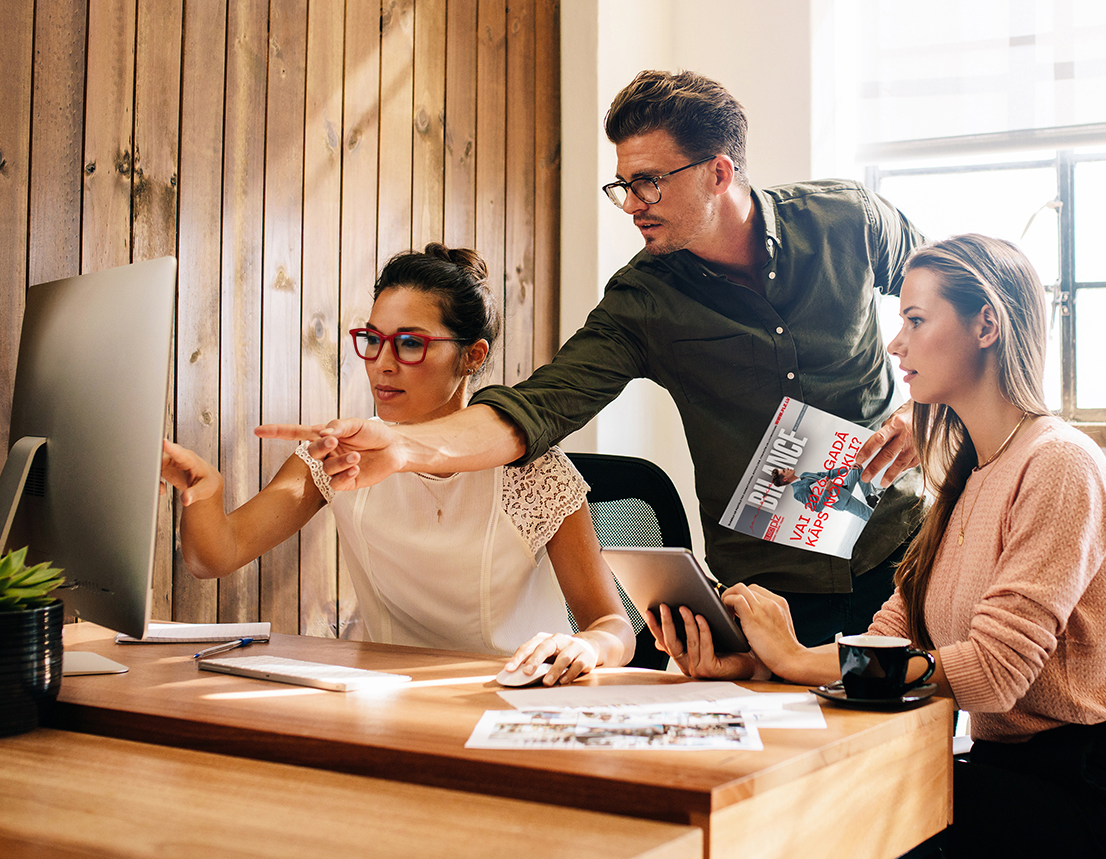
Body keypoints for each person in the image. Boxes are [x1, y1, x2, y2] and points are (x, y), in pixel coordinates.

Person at [270, 70, 930, 646]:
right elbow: (537, 406)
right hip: (773, 592)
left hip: (901, 552)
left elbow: (962, 296)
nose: (632, 205)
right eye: (623, 185)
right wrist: (409, 447)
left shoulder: (846, 219)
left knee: (913, 766)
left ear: (719, 172)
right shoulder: (643, 299)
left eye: (649, 183)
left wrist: (921, 409)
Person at [654, 234, 1106, 858]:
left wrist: (797, 658)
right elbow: (887, 640)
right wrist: (758, 664)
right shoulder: (965, 477)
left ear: (986, 324)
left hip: (1099, 792)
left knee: (853, 807)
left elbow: (992, 675)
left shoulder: (1060, 465)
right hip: (1011, 775)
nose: (895, 343)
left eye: (915, 320)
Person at [162, 245, 634, 685]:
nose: (381, 364)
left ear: (473, 356)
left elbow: (613, 624)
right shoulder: (339, 454)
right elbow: (215, 556)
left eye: (410, 344)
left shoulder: (531, 469)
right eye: (372, 339)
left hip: (518, 698)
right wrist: (202, 487)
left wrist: (587, 645)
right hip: (388, 700)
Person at [767, 463, 880, 525]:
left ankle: (870, 497)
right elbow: (817, 507)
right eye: (784, 470)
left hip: (842, 488)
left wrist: (846, 468)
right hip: (841, 501)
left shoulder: (804, 474)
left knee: (857, 468)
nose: (786, 468)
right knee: (870, 516)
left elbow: (827, 474)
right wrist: (827, 490)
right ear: (785, 479)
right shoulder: (798, 492)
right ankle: (886, 526)